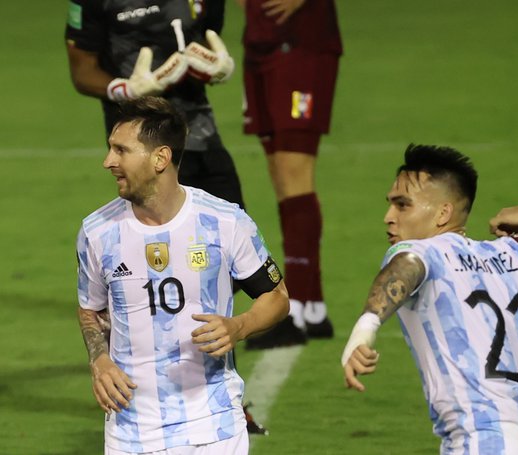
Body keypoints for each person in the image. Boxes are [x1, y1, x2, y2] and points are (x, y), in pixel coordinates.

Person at [341, 144, 518, 454]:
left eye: (402, 205)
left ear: (443, 213)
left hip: (480, 442)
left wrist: (366, 326)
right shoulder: (516, 253)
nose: (388, 217)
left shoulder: (424, 251)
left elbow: (406, 267)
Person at [76, 97, 289, 454]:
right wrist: (99, 360)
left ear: (160, 158)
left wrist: (239, 326)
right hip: (131, 433)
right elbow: (90, 310)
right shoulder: (97, 233)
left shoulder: (224, 223)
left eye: (121, 150)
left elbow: (277, 296)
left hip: (214, 424)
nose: (108, 162)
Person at [65, 0, 244, 208]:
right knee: (159, 235)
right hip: (140, 143)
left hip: (201, 136)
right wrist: (127, 89)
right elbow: (83, 71)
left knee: (231, 226)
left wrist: (211, 66)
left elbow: (203, 40)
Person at [238, 0, 343, 348]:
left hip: (301, 45)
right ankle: (311, 306)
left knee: (294, 172)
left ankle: (294, 306)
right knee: (281, 177)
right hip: (260, 42)